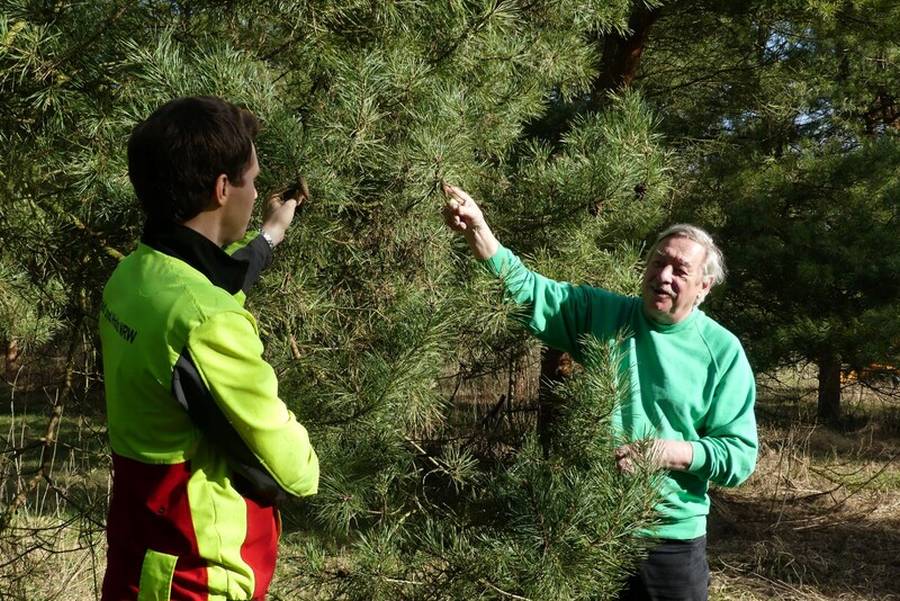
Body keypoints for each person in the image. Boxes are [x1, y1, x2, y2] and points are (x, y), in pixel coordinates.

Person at [442, 184, 757, 601]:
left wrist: (673, 452)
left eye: (679, 270)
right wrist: (478, 231)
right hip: (590, 529)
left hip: (670, 541)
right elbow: (528, 289)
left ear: (704, 286)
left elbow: (739, 457)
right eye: (658, 263)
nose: (663, 276)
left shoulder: (721, 352)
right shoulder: (603, 314)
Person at [99, 96, 319, 601]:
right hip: (199, 574)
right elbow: (296, 470)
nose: (258, 189)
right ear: (223, 188)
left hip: (143, 560)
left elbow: (205, 279)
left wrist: (269, 235)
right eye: (253, 179)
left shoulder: (132, 277)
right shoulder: (207, 322)